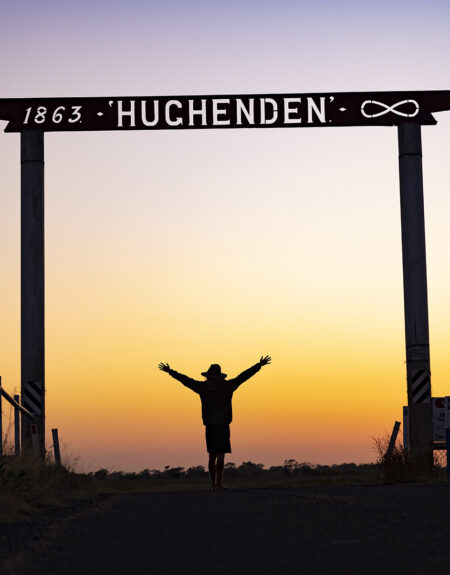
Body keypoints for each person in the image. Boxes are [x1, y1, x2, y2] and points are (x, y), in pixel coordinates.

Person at [158, 355, 271, 490]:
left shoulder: (203, 387)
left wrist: (171, 372)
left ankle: (215, 484)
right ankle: (218, 484)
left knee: (213, 455)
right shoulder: (227, 386)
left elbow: (186, 380)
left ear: (208, 377)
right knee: (220, 455)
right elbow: (243, 377)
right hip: (222, 425)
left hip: (212, 425)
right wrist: (258, 366)